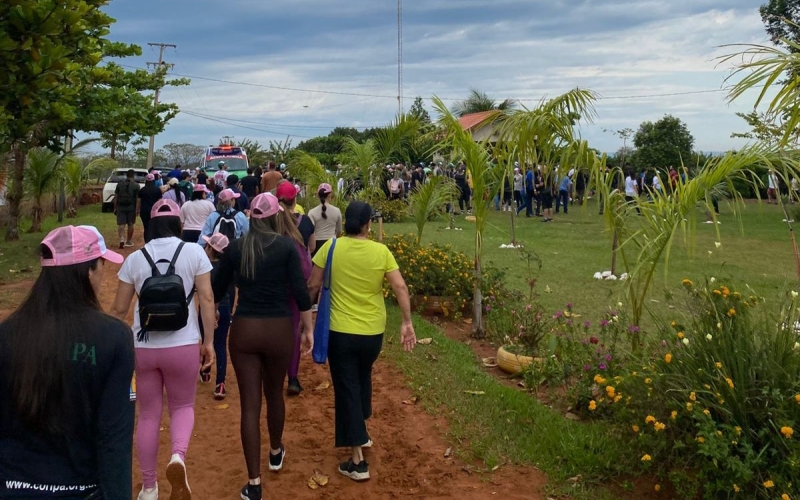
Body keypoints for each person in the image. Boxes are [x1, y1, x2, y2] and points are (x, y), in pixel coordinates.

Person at [0, 225, 133, 500]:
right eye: (101, 264)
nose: (102, 273)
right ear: (87, 271)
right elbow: (114, 441)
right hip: (82, 491)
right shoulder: (114, 338)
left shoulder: (7, 334)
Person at [111, 199, 216, 500]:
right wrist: (208, 342)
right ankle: (178, 457)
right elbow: (206, 299)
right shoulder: (194, 252)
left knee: (147, 415)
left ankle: (148, 487)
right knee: (182, 406)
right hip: (183, 344)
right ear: (178, 225)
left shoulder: (135, 258)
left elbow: (119, 308)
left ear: (150, 225)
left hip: (143, 347)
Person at [211, 193, 313, 500]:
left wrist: (212, 311)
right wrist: (307, 327)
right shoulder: (285, 247)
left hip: (244, 331)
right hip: (280, 330)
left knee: (249, 405)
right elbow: (300, 290)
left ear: (251, 218)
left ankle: (254, 483)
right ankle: (275, 450)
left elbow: (217, 288)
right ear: (274, 217)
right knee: (274, 394)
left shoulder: (237, 248)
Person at [307, 201, 416, 482]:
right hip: (372, 334)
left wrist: (304, 320)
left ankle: (357, 461)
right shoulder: (381, 251)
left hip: (340, 332)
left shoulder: (330, 248)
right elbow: (400, 286)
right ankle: (362, 431)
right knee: (361, 376)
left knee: (347, 388)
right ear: (368, 224)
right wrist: (406, 322)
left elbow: (313, 285)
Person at [277, 182, 315, 395]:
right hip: (298, 283)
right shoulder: (306, 221)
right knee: (294, 329)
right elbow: (312, 248)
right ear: (295, 200)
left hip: (275, 283)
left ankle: (273, 374)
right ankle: (292, 377)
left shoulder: (271, 222)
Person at [199, 233, 232, 399]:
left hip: (207, 309)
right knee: (220, 345)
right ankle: (220, 384)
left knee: (206, 339)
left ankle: (205, 370)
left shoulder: (204, 268)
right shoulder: (227, 268)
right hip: (225, 308)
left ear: (210, 248)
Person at [308, 183, 342, 257]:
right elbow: (339, 230)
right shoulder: (337, 211)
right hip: (332, 244)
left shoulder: (312, 212)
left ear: (318, 195)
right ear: (330, 195)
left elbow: (310, 232)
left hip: (317, 245)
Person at [114, 168, 140, 249]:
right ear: (133, 176)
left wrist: (115, 207)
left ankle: (122, 238)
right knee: (131, 224)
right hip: (131, 207)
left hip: (121, 206)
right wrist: (137, 209)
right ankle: (128, 241)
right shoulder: (136, 185)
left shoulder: (119, 184)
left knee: (121, 224)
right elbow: (137, 199)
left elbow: (116, 197)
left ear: (126, 175)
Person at [139, 173, 163, 243]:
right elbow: (160, 201)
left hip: (144, 211)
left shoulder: (142, 190)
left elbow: (139, 201)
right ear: (153, 180)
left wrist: (137, 210)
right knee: (154, 227)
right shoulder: (157, 190)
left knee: (146, 227)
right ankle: (153, 241)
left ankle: (147, 242)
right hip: (154, 211)